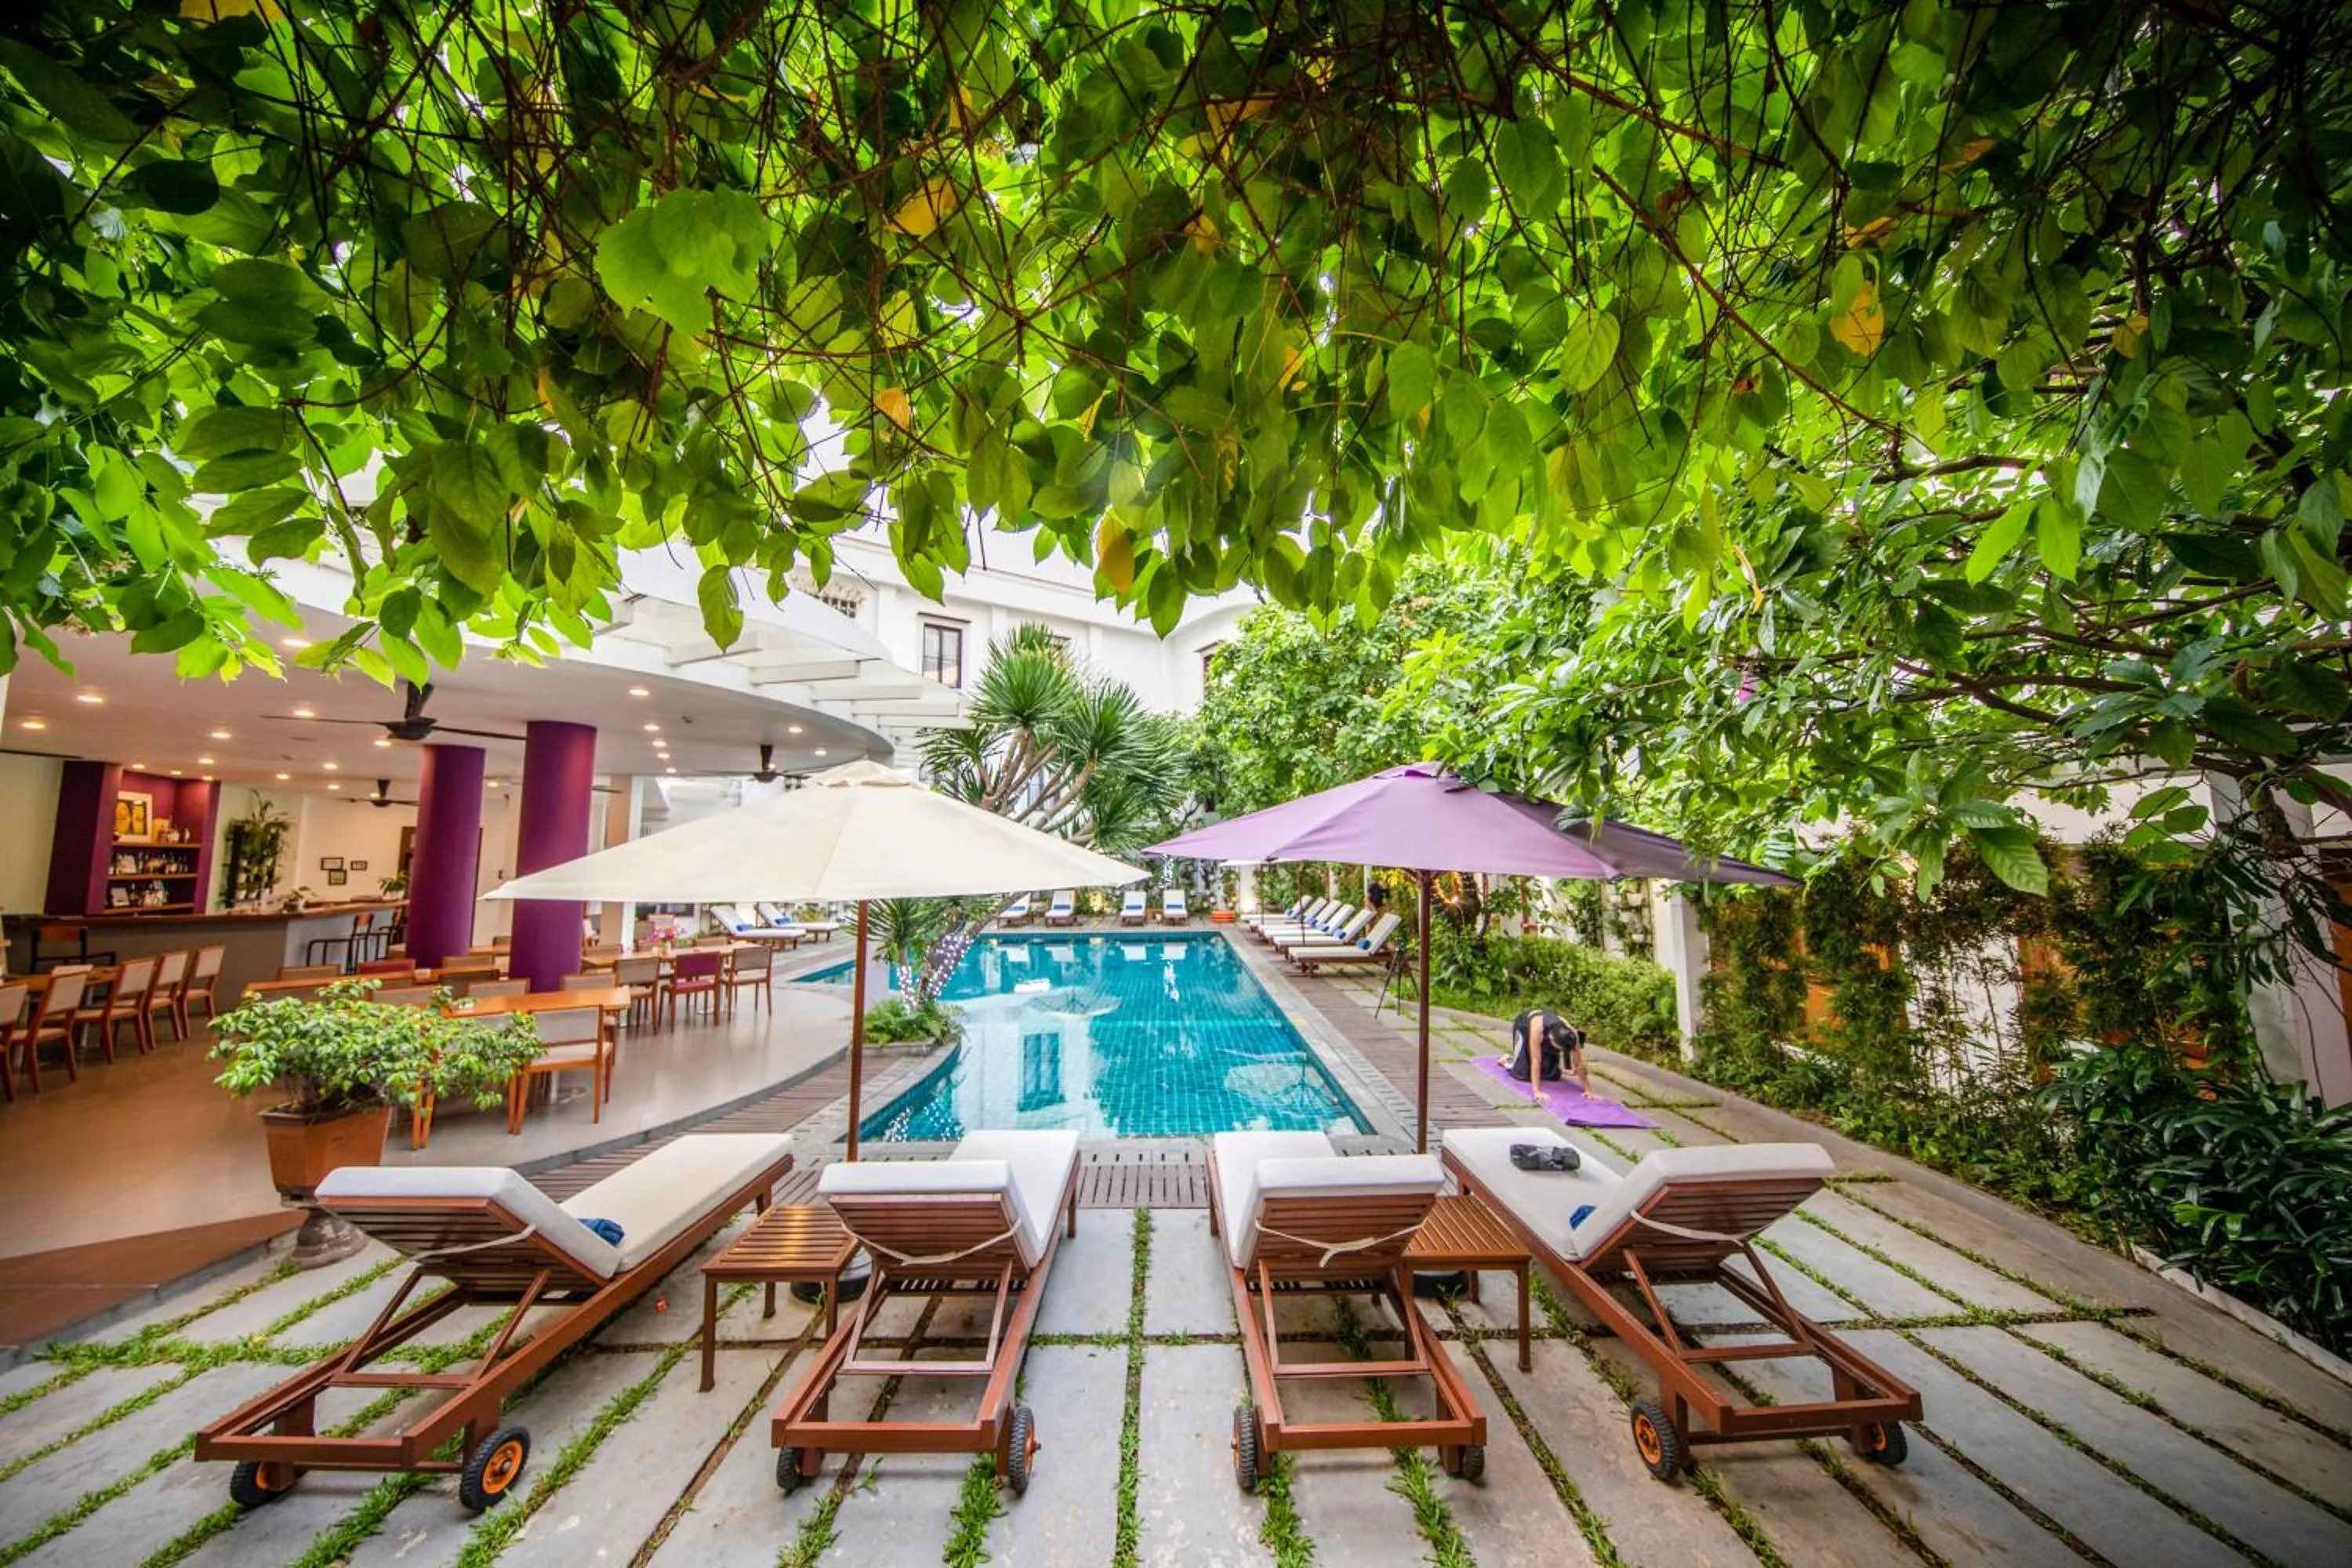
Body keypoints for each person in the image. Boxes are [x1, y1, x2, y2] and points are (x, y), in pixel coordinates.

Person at [1503, 1007, 1590, 1093]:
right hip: (1524, 1027)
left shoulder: (1573, 1035)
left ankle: (1552, 1066)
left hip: (1548, 1032)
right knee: (1522, 1074)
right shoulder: (1537, 1029)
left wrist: (1588, 1090)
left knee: (1552, 1076)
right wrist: (1537, 1091)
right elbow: (1536, 1060)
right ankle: (1507, 1060)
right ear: (1551, 1038)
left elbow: (1579, 1064)